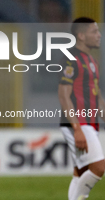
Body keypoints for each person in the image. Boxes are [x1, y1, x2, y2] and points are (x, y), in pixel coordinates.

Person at [58, 17, 105, 200]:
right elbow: (63, 94)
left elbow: (97, 94)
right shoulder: (71, 59)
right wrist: (77, 129)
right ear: (81, 36)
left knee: (81, 170)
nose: (99, 35)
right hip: (78, 122)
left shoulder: (92, 60)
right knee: (99, 167)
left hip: (90, 122)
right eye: (94, 31)